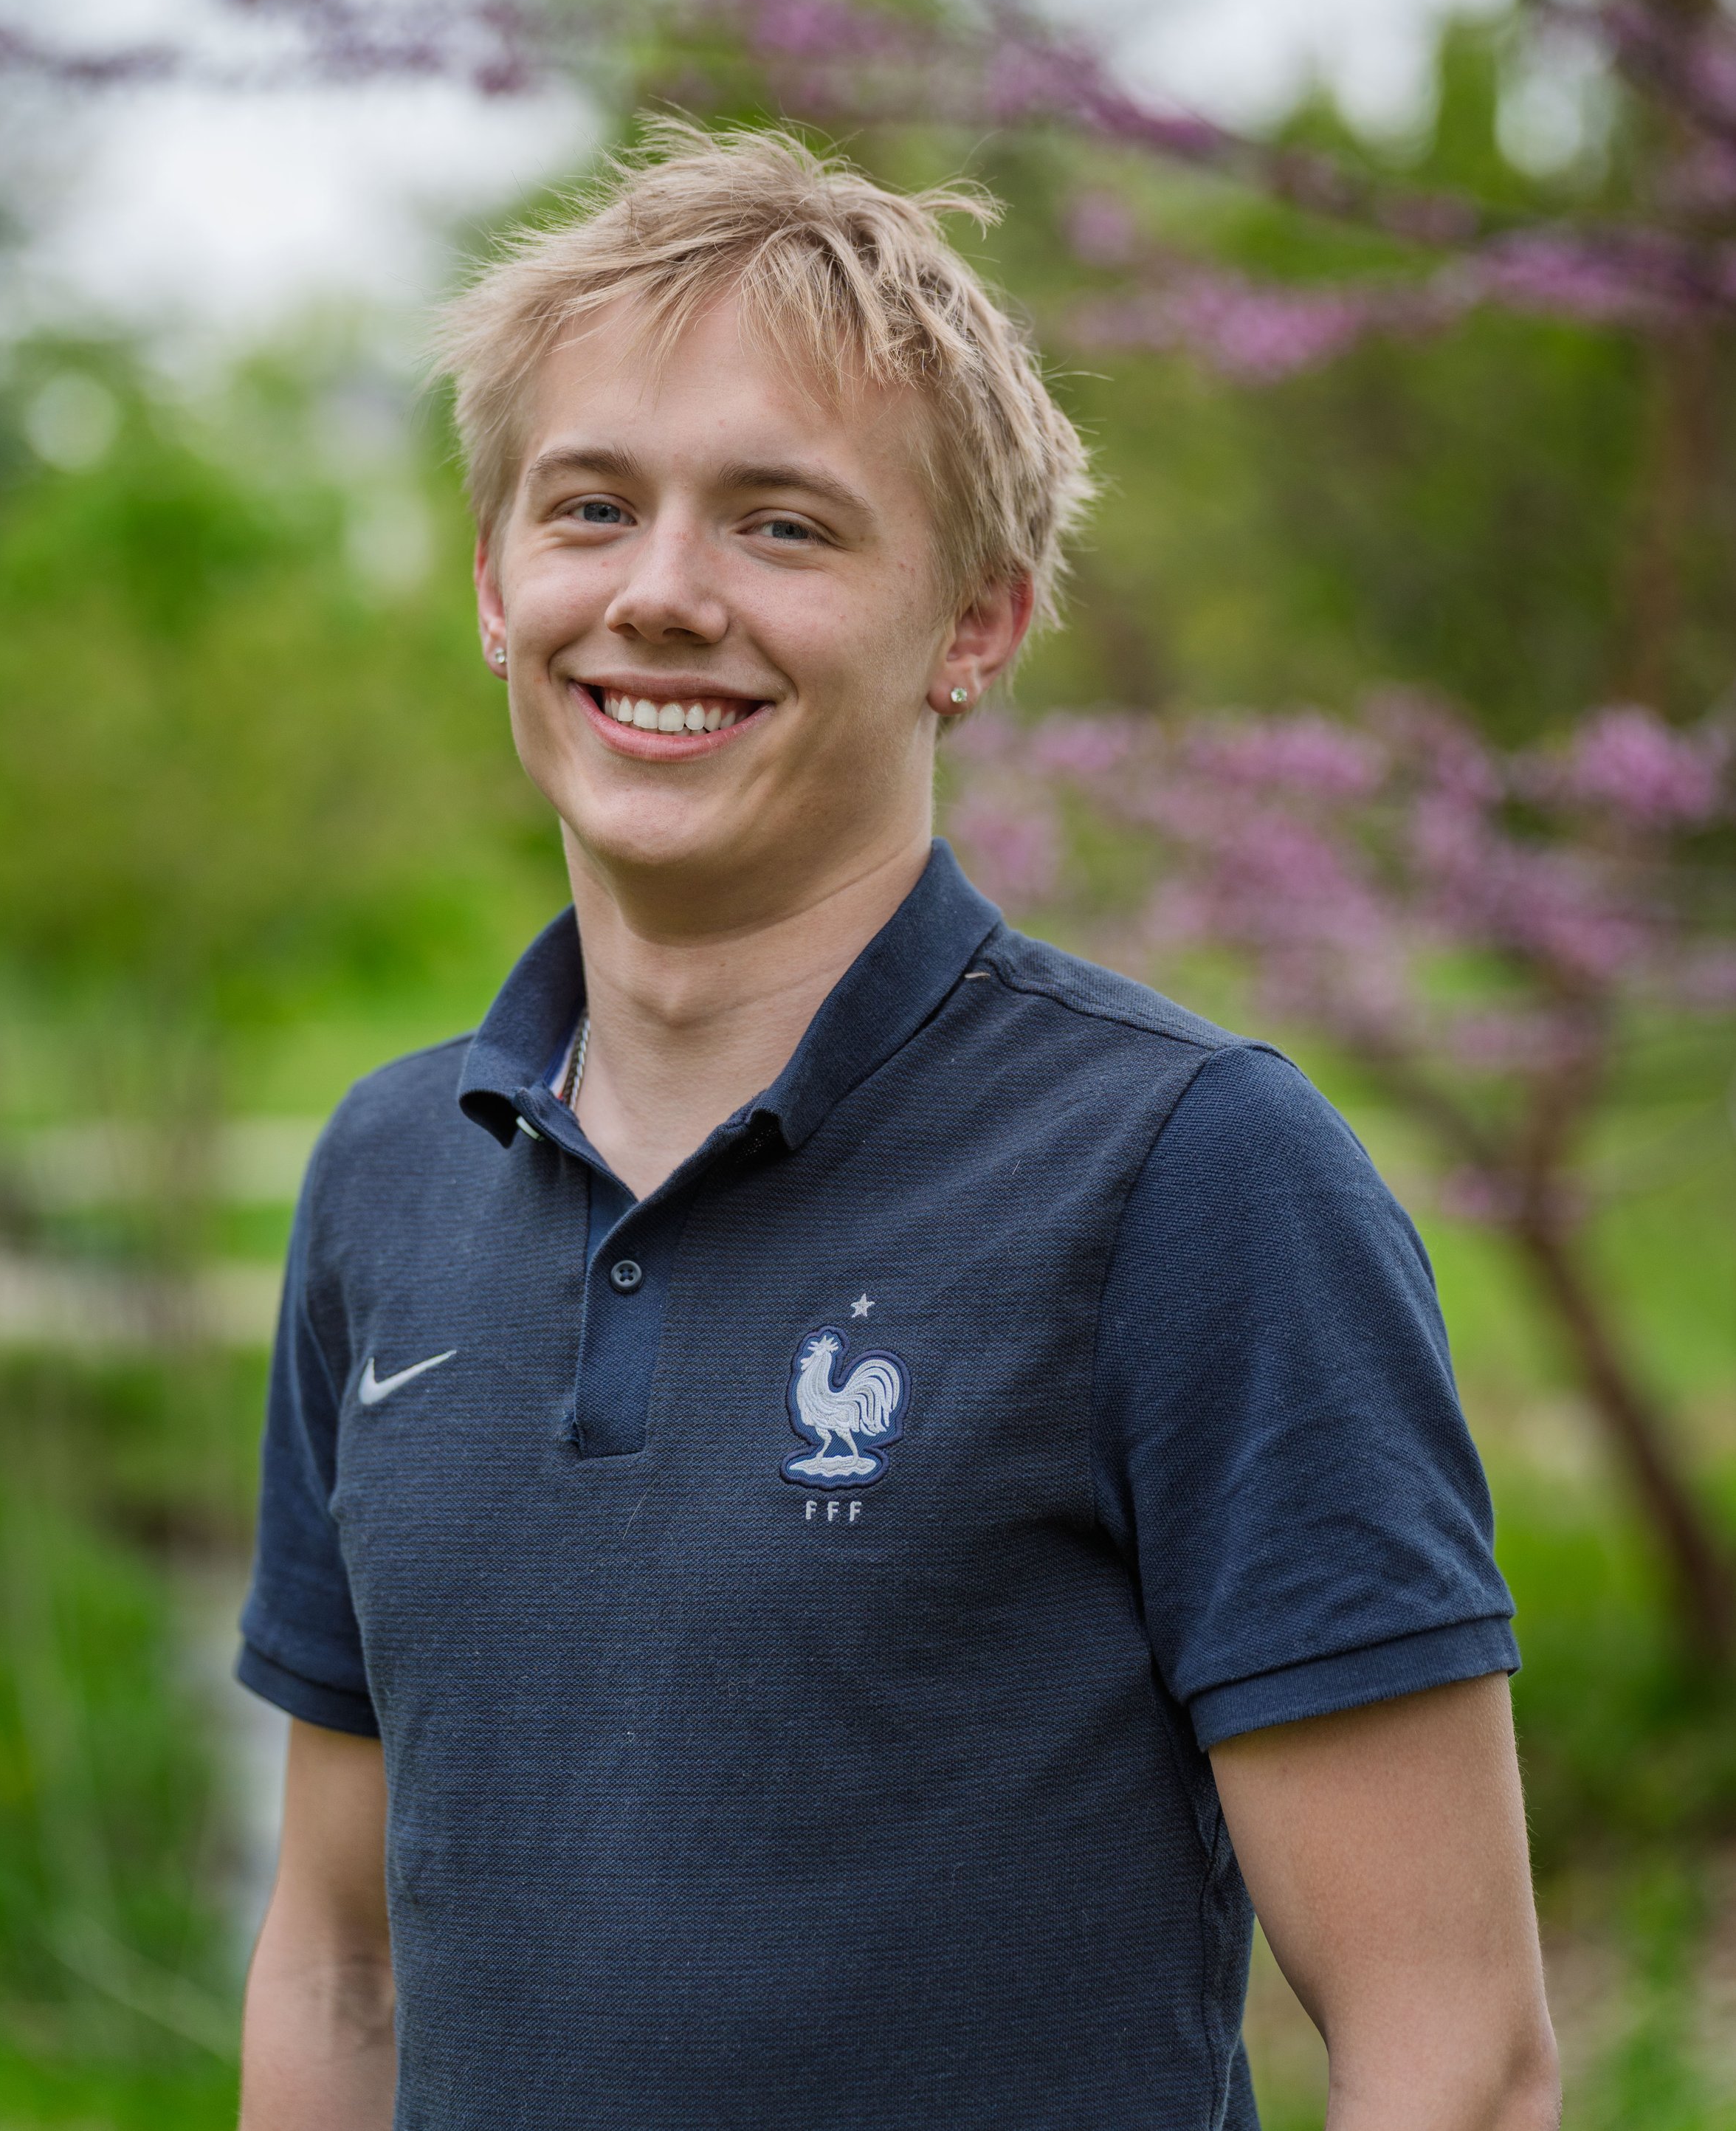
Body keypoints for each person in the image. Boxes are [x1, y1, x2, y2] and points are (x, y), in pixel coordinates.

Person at [235, 124, 1560, 2131]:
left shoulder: (1193, 1175)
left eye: (783, 526)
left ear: (976, 628)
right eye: (592, 506)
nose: (662, 595)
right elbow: (340, 1969)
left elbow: (1447, 2052)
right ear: (496, 585)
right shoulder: (383, 1182)